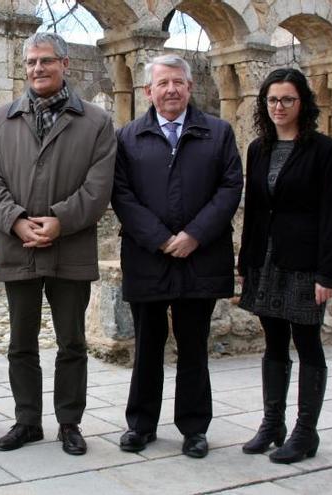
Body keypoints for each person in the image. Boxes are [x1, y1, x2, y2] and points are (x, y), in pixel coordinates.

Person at [0, 32, 116, 456]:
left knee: (71, 342)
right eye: (31, 63)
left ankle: (69, 423)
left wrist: (59, 221)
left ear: (65, 65)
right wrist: (16, 222)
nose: (38, 69)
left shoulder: (95, 121)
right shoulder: (1, 120)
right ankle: (26, 421)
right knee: (21, 342)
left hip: (70, 247)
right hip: (17, 246)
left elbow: (98, 187)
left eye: (46, 61)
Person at [112, 54, 243, 459]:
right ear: (148, 91)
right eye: (162, 83)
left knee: (194, 346)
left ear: (190, 88)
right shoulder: (128, 137)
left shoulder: (218, 133)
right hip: (148, 257)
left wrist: (194, 235)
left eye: (178, 83)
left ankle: (194, 429)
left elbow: (229, 188)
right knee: (147, 346)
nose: (171, 90)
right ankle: (141, 425)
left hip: (198, 258)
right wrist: (159, 238)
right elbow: (121, 193)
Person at [238, 67, 332, 464]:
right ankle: (272, 423)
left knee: (308, 341)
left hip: (303, 263)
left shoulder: (323, 149)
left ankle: (305, 431)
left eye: (287, 100)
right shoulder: (258, 149)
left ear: (303, 104)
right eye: (272, 100)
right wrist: (246, 263)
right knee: (273, 342)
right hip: (265, 260)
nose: (279, 107)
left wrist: (327, 274)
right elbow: (254, 211)